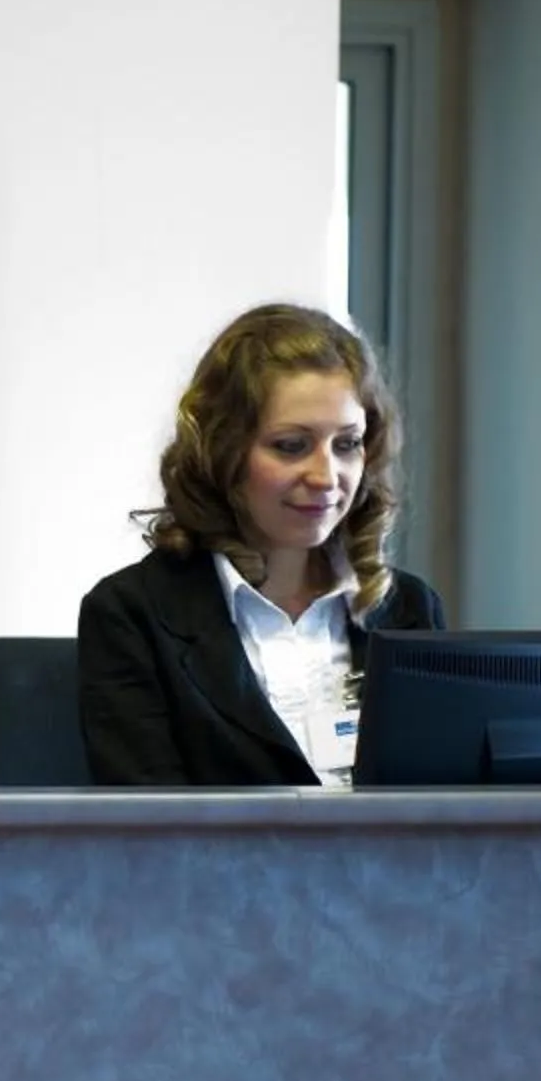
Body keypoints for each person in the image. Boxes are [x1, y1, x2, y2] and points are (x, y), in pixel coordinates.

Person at [77, 303, 447, 787]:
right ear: (223, 452)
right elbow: (153, 823)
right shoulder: (132, 614)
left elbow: (439, 806)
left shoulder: (408, 609)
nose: (326, 477)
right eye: (291, 446)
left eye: (346, 444)